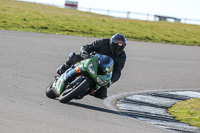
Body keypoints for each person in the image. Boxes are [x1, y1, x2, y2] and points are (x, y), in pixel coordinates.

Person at [57, 33, 127, 99]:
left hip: (102, 71)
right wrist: (85, 53)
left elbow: (117, 71)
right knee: (75, 58)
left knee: (102, 94)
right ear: (111, 42)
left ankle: (87, 90)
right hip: (91, 61)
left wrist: (111, 81)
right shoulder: (104, 42)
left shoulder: (122, 56)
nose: (117, 48)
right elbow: (87, 47)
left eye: (120, 47)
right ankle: (64, 68)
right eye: (116, 45)